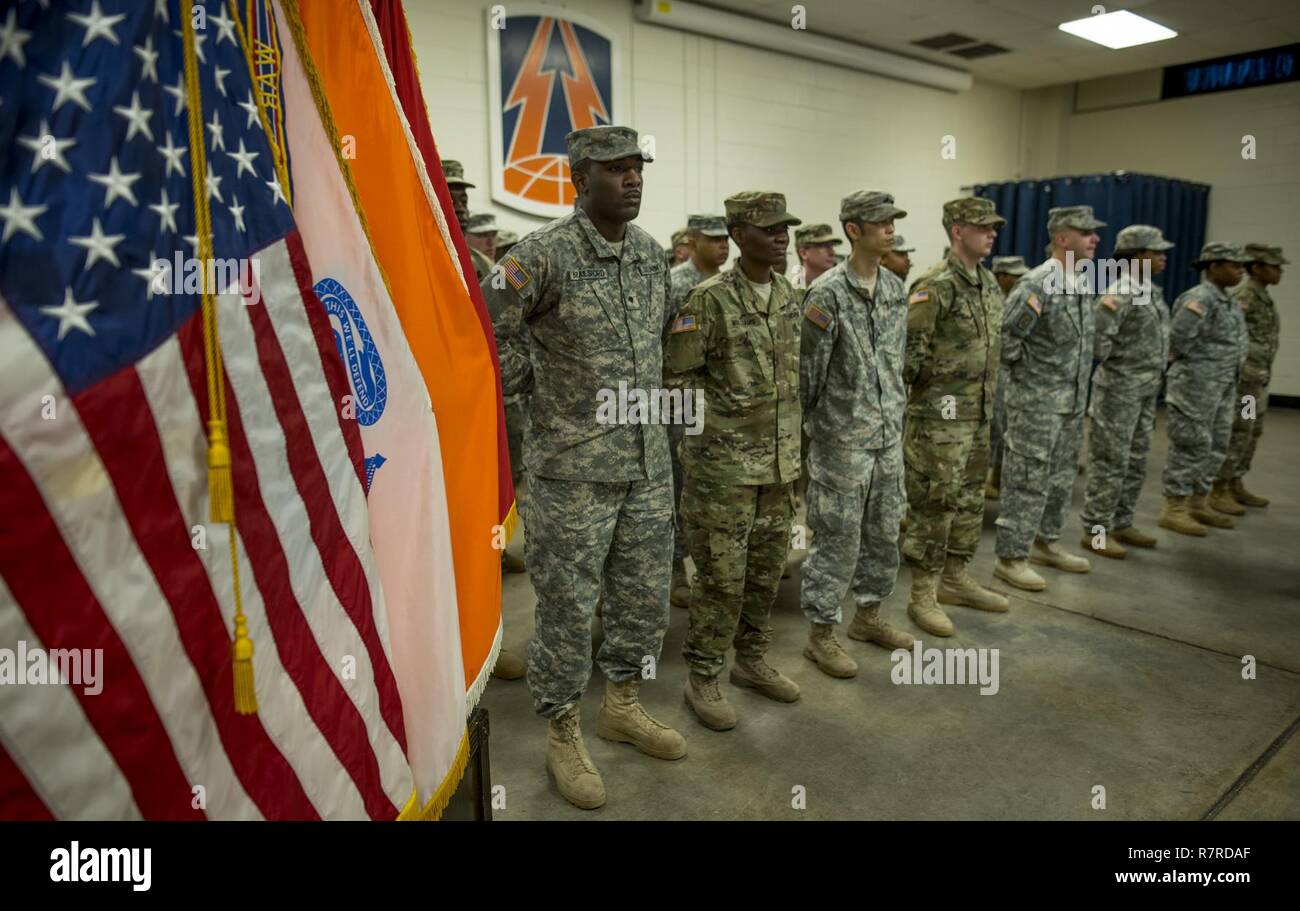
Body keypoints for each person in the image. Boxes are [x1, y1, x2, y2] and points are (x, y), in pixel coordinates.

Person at [482, 125, 686, 809]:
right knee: (567, 609)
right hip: (570, 473)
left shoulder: (654, 257)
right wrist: (534, 417)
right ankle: (563, 730)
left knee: (640, 596)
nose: (631, 180)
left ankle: (621, 703)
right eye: (615, 169)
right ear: (581, 178)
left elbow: (656, 349)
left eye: (637, 168)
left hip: (646, 467)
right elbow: (486, 333)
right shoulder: (541, 257)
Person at [666, 191, 802, 731]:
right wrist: (721, 435)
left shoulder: (789, 295)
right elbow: (677, 384)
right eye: (768, 228)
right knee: (721, 579)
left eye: (784, 227)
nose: (781, 236)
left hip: (780, 467)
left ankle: (750, 661)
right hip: (723, 474)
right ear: (739, 234)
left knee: (766, 574)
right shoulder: (707, 301)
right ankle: (703, 676)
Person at [799, 190, 913, 676]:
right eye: (880, 221)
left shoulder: (893, 288)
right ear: (854, 230)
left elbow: (897, 361)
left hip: (887, 437)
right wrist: (819, 432)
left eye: (892, 220)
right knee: (837, 539)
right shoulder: (826, 294)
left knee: (885, 533)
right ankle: (820, 634)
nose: (890, 228)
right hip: (841, 440)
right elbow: (808, 375)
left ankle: (868, 617)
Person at [902, 198, 1010, 636]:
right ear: (957, 231)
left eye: (994, 227)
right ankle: (922, 593)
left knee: (969, 501)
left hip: (979, 415)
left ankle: (955, 578)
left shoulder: (989, 284)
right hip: (939, 422)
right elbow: (908, 359)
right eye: (982, 227)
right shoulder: (934, 285)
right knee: (935, 505)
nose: (992, 233)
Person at [994, 206, 1106, 592]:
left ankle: (1046, 542)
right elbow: (1007, 342)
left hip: (1072, 403)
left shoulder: (1080, 282)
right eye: (1086, 233)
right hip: (1037, 404)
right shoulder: (1037, 283)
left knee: (1059, 479)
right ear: (1062, 238)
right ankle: (1011, 557)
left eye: (1095, 233)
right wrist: (1029, 385)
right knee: (1027, 480)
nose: (1095, 239)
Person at [1079, 225, 1174, 556]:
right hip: (1119, 390)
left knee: (1135, 459)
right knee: (1110, 461)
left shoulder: (1149, 290)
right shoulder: (1118, 292)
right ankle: (1097, 531)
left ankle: (1122, 522)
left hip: (1147, 389)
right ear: (1137, 256)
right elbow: (1097, 344)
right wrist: (1124, 366)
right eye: (1156, 251)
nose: (1163, 257)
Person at [1159, 243, 1250, 536]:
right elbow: (1179, 340)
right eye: (1234, 265)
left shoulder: (1228, 300)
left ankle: (1199, 500)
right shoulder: (1198, 299)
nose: (1240, 271)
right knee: (1190, 443)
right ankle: (1175, 507)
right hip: (1196, 385)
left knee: (1217, 443)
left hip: (1223, 384)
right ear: (1213, 267)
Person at [666, 214, 731, 609]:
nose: (723, 245)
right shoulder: (676, 285)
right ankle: (676, 570)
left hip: (719, 408)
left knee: (712, 493)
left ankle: (711, 568)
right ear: (692, 241)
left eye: (726, 239)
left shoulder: (727, 285)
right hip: (679, 407)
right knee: (678, 490)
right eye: (713, 239)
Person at [1216, 243, 1287, 509]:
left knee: (1252, 431)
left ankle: (1235, 481)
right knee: (1241, 430)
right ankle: (1220, 486)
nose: (1280, 272)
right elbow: (1232, 336)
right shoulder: (1245, 297)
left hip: (1258, 379)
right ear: (1256, 268)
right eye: (1274, 266)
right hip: (1246, 382)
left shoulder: (1263, 297)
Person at [984, 255, 1029, 499]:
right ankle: (982, 479)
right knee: (992, 427)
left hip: (1006, 373)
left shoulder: (1014, 299)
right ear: (1002, 277)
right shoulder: (990, 298)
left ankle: (997, 479)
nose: (1020, 279)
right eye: (1016, 275)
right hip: (991, 371)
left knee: (1003, 427)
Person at [441, 160, 496, 282]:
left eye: (463, 201)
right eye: (450, 201)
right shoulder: (419, 259)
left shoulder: (483, 264)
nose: (460, 209)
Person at [789, 223, 840, 289]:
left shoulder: (842, 285)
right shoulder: (791, 291)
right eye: (823, 246)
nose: (832, 253)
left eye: (832, 246)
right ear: (804, 253)